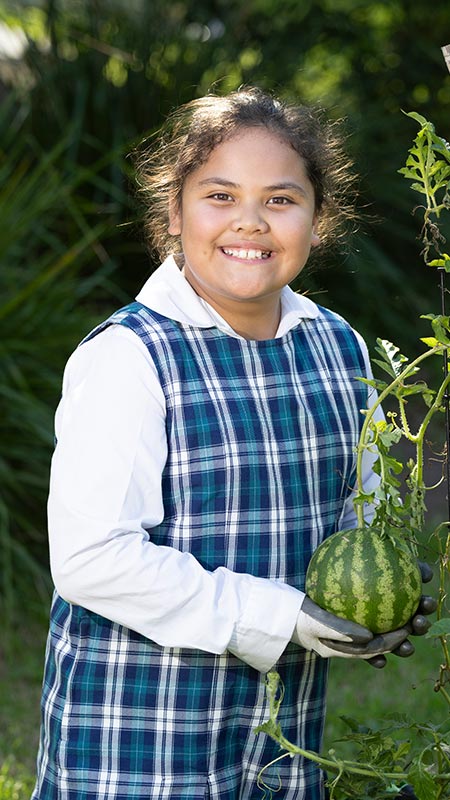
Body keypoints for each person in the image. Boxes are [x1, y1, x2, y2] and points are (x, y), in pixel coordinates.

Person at [32, 87, 435, 800]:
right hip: (136, 743)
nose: (249, 222)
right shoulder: (131, 356)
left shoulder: (336, 347)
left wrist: (379, 598)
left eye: (281, 200)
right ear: (173, 212)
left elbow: (355, 513)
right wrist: (283, 616)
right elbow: (91, 559)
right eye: (219, 195)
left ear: (318, 220)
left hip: (276, 739)